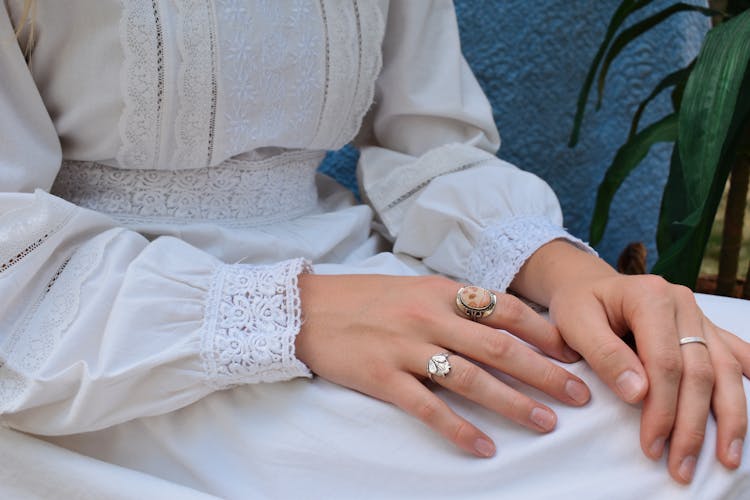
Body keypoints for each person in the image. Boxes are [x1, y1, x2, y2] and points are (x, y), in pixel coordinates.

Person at [0, 1, 748, 498]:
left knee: (717, 374)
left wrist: (565, 269)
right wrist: (293, 313)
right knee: (705, 445)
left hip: (372, 283)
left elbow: (428, 144)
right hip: (109, 342)